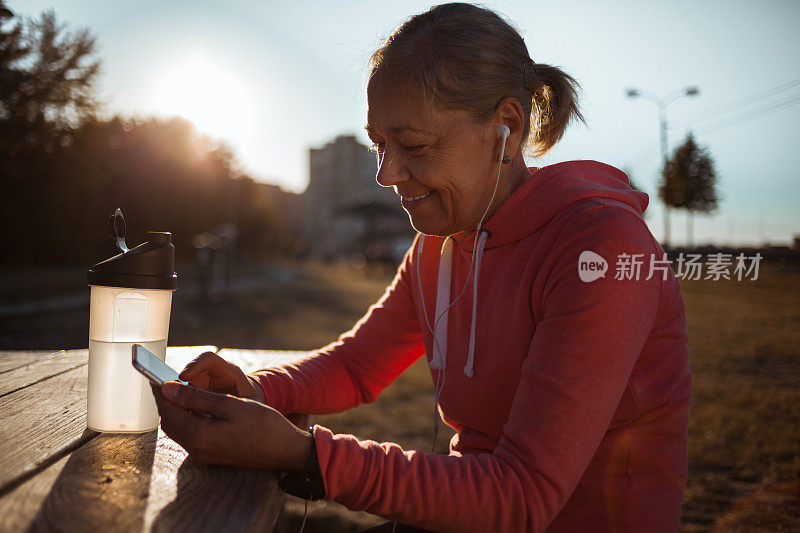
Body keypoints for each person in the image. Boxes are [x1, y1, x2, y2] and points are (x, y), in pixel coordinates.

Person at [151, 3, 691, 532]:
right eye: (379, 145)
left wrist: (304, 457)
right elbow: (357, 366)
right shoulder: (440, 245)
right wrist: (255, 389)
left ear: (506, 127)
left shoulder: (602, 249)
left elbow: (522, 497)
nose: (387, 174)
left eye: (413, 144)